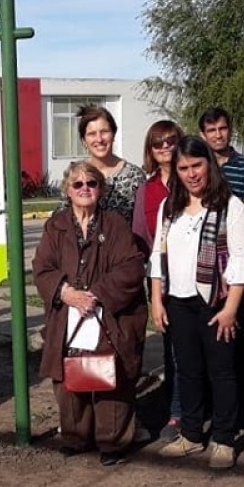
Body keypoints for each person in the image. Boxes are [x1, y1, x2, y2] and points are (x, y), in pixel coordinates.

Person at [32, 161, 148, 466]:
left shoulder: (115, 225)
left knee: (110, 376)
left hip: (107, 314)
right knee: (69, 377)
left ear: (101, 189)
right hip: (67, 313)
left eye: (91, 184)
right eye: (78, 184)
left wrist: (96, 294)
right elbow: (42, 268)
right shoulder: (55, 226)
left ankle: (112, 442)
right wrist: (65, 293)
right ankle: (75, 436)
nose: (85, 189)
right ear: (67, 190)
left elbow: (132, 267)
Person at [150, 136, 244, 469]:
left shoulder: (230, 207)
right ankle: (191, 435)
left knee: (222, 372)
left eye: (197, 165)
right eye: (184, 168)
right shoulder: (170, 208)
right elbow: (157, 254)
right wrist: (157, 300)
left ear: (208, 163)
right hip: (178, 302)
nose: (192, 173)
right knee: (188, 371)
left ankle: (224, 438)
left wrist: (230, 308)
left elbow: (239, 260)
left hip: (216, 303)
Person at [200, 106, 244, 431]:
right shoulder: (199, 166)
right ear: (203, 134)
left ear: (230, 130)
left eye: (222, 129)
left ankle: (243, 404)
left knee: (238, 335)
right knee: (211, 340)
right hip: (205, 264)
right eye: (211, 130)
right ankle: (216, 406)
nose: (217, 135)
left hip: (236, 261)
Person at [130, 120, 185, 442]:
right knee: (173, 351)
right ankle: (175, 411)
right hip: (162, 279)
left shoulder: (192, 178)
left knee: (197, 350)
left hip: (196, 278)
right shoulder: (146, 190)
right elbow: (140, 235)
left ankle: (198, 406)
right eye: (158, 143)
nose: (165, 148)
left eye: (170, 141)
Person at [73, 104, 144, 224]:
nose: (99, 139)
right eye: (92, 134)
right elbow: (61, 219)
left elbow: (142, 224)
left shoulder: (134, 176)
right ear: (84, 141)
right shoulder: (75, 174)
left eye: (104, 132)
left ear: (113, 135)